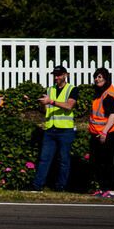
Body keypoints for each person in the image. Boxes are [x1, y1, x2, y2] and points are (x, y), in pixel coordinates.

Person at [25, 65, 78, 193]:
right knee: (44, 158)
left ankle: (61, 186)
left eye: (59, 75)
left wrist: (51, 102)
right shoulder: (50, 90)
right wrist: (42, 104)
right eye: (55, 75)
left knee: (64, 160)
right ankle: (37, 186)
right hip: (50, 129)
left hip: (65, 130)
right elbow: (45, 110)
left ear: (65, 75)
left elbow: (69, 106)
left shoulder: (72, 89)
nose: (56, 77)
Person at [88, 68, 114, 199]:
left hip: (109, 133)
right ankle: (102, 189)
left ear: (106, 79)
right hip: (97, 133)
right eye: (96, 77)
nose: (97, 79)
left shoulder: (108, 95)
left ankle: (111, 190)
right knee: (98, 162)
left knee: (107, 162)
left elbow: (113, 115)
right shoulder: (100, 93)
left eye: (100, 77)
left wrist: (104, 132)